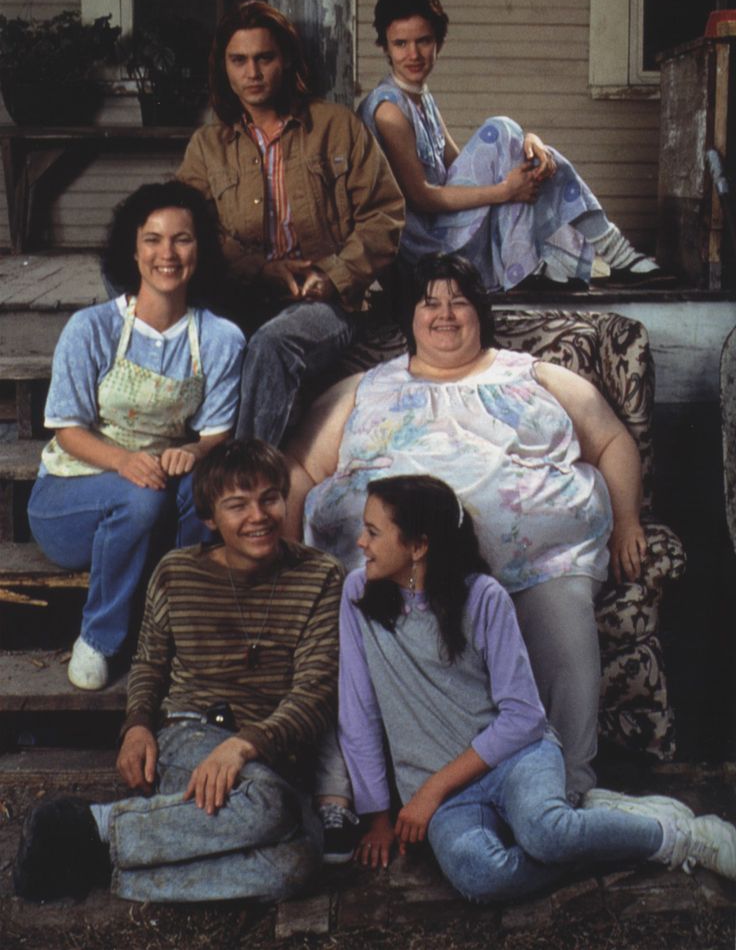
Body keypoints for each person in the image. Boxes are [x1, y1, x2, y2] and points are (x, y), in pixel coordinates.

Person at [286, 251, 646, 801]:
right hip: (397, 576)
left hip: (537, 561)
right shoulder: (365, 388)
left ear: (481, 313)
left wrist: (626, 521)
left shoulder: (534, 375)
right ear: (410, 318)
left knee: (564, 615)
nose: (445, 314)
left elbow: (612, 439)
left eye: (459, 302)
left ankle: (567, 787)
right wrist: (288, 551)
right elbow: (302, 470)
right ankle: (357, 793)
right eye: (430, 303)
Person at [338, 474, 736, 900]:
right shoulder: (359, 595)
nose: (361, 542)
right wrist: (378, 816)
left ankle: (680, 836)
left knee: (545, 835)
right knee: (482, 877)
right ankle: (589, 825)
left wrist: (431, 790)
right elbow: (357, 711)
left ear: (418, 546)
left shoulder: (483, 597)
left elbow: (524, 717)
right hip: (444, 795)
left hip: (515, 758)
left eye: (374, 532)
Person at [14, 439, 346, 904]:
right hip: (189, 736)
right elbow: (149, 664)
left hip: (270, 748)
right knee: (271, 807)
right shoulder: (176, 572)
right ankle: (91, 824)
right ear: (209, 518)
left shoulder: (321, 576)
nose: (260, 516)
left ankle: (104, 857)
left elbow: (316, 691)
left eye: (270, 498)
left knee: (296, 864)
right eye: (238, 505)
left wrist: (244, 746)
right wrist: (136, 728)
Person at [27, 181, 245, 691]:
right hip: (69, 497)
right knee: (141, 499)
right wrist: (125, 462)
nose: (166, 254)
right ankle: (99, 639)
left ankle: (182, 631)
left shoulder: (217, 338)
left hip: (150, 494)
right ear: (133, 249)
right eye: (152, 239)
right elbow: (66, 430)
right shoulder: (92, 329)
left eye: (182, 239)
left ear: (200, 249)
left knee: (201, 488)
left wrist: (191, 450)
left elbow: (216, 436)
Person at [178, 0, 405, 447]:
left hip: (323, 302)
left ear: (286, 61)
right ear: (224, 68)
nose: (252, 73)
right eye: (238, 61)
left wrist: (332, 276)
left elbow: (385, 216)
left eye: (264, 58)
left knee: (273, 344)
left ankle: (240, 478)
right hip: (241, 292)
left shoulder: (336, 127)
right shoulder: (208, 146)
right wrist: (259, 269)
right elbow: (192, 229)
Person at [358, 0, 662, 291]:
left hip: (447, 230)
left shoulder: (420, 97)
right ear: (385, 46)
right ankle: (598, 253)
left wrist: (530, 140)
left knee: (530, 151)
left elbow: (457, 165)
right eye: (400, 44)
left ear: (438, 42)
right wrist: (505, 191)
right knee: (501, 128)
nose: (413, 54)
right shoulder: (389, 111)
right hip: (424, 252)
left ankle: (594, 250)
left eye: (423, 41)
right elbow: (422, 196)